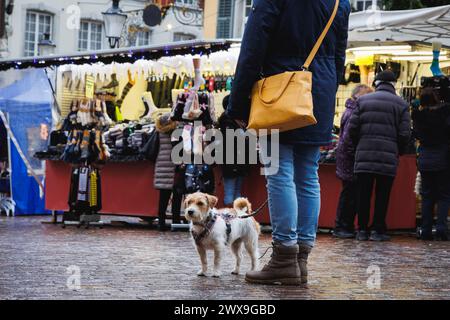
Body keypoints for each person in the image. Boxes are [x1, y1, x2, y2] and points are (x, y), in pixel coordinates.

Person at [226, 0, 351, 285]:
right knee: (308, 175)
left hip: (279, 93)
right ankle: (300, 260)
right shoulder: (339, 2)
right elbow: (338, 55)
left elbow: (253, 47)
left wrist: (238, 104)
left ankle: (284, 258)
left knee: (278, 172)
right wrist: (324, 91)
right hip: (316, 93)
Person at [348, 70, 411, 242]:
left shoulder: (362, 101)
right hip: (388, 156)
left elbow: (352, 129)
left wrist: (359, 146)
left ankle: (361, 230)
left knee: (363, 194)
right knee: (383, 195)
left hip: (364, 155)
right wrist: (399, 150)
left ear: (377, 83)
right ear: (394, 84)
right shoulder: (402, 104)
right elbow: (405, 134)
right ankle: (377, 230)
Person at [334, 84, 373, 238]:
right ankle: (342, 227)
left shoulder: (350, 110)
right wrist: (355, 156)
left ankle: (344, 226)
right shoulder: (353, 113)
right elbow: (348, 139)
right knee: (349, 195)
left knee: (349, 194)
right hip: (350, 160)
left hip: (347, 158)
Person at [412, 88, 450, 241]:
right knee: (444, 195)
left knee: (427, 195)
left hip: (425, 159)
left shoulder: (418, 116)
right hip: (443, 158)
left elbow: (416, 135)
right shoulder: (445, 113)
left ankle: (426, 229)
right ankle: (441, 227)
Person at [218, 95, 249, 206]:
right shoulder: (227, 121)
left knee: (236, 193)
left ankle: (236, 220)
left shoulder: (237, 121)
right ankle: (229, 219)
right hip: (231, 162)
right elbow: (232, 141)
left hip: (238, 162)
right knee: (231, 193)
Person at [153, 113, 182, 231]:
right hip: (174, 168)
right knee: (177, 196)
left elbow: (153, 150)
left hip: (161, 167)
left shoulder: (158, 133)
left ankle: (161, 222)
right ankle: (176, 222)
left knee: (163, 198)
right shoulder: (176, 132)